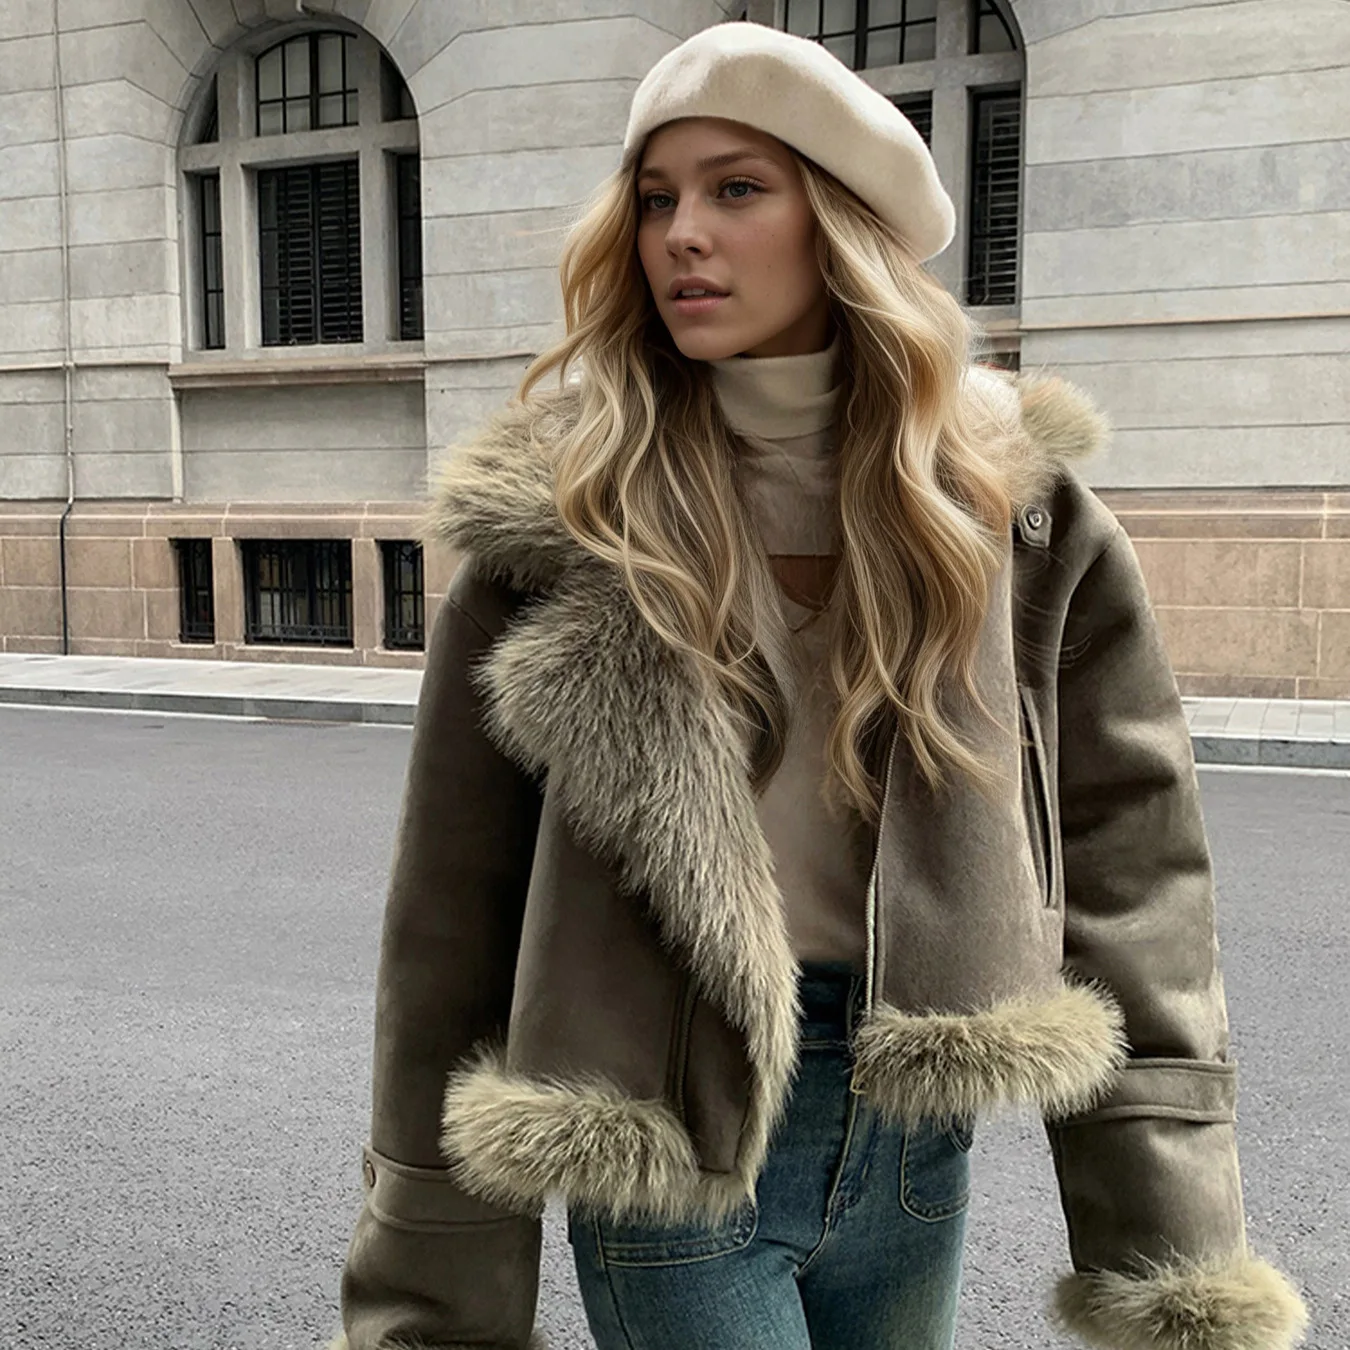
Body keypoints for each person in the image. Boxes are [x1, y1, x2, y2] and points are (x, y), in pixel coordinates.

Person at [325, 21, 1307, 1350]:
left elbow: (1134, 874)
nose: (681, 234)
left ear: (836, 223)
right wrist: (428, 1290)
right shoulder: (565, 525)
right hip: (670, 1144)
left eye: (736, 189)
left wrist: (1169, 1250)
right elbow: (451, 916)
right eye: (657, 199)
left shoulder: (1009, 516)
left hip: (910, 1136)